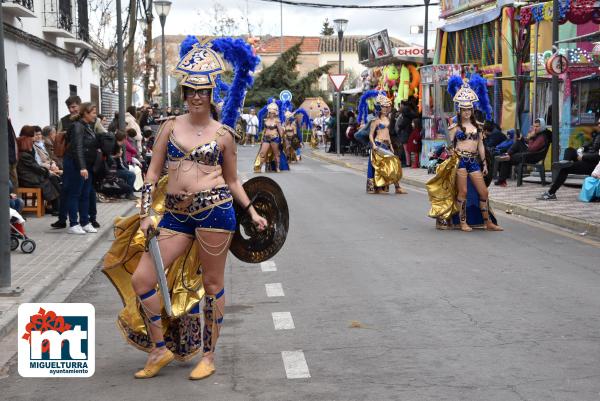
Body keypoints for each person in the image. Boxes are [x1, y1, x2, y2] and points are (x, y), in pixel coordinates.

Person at [102, 36, 266, 380]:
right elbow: (151, 171)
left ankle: (208, 355)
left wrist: (251, 211)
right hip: (175, 215)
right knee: (143, 279)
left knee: (212, 283)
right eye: (190, 90)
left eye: (202, 91)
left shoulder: (224, 134)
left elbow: (234, 180)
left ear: (210, 94)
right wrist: (147, 213)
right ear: (184, 93)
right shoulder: (169, 126)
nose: (195, 96)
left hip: (215, 212)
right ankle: (160, 348)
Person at [426, 76, 503, 231]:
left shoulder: (478, 126)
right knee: (463, 192)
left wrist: (485, 163)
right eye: (464, 109)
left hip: (473, 162)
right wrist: (450, 150)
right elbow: (448, 145)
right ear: (459, 110)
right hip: (460, 161)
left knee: (484, 192)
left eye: (469, 109)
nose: (467, 112)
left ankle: (487, 222)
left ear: (472, 110)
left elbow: (480, 145)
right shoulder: (454, 127)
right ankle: (462, 222)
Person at [58, 102, 102, 234]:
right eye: (93, 113)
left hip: (85, 164)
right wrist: (82, 167)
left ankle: (84, 222)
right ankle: (73, 223)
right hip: (75, 164)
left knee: (85, 193)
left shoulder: (87, 126)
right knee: (75, 193)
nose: (95, 116)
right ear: (85, 113)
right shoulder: (77, 126)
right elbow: (77, 147)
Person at [537, 121, 600, 200]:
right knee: (569, 150)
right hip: (587, 158)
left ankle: (551, 193)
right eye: (598, 123)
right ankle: (565, 161)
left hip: (594, 165)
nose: (598, 125)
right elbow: (590, 144)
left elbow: (598, 157)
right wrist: (582, 148)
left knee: (566, 168)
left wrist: (583, 157)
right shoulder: (598, 134)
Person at [358, 92, 406, 194]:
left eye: (387, 107)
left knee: (394, 164)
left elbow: (388, 134)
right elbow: (371, 134)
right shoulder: (375, 121)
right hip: (378, 145)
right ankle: (379, 187)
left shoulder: (388, 119)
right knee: (380, 167)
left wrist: (391, 145)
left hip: (386, 145)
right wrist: (374, 145)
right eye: (384, 107)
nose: (386, 109)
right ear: (379, 107)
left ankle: (397, 187)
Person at [495, 118, 550, 186]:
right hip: (529, 154)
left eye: (537, 126)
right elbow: (529, 145)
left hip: (533, 156)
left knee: (507, 159)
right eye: (534, 126)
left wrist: (531, 138)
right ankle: (507, 154)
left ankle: (502, 180)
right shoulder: (538, 134)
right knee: (518, 142)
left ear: (542, 126)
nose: (535, 128)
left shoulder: (542, 137)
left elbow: (531, 149)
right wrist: (524, 139)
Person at [16, 135, 60, 212]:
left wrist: (47, 172)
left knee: (52, 177)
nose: (32, 145)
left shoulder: (24, 154)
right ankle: (56, 207)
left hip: (29, 177)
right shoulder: (24, 155)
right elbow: (36, 167)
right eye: (30, 143)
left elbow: (36, 167)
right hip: (28, 179)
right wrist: (47, 172)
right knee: (49, 180)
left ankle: (57, 206)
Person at [254, 102, 288, 173]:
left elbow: (280, 132)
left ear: (275, 113)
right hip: (266, 138)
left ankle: (277, 167)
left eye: (273, 113)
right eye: (270, 112)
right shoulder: (266, 120)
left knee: (276, 154)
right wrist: (262, 139)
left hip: (275, 138)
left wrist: (283, 133)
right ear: (268, 113)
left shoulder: (277, 121)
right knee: (262, 153)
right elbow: (264, 130)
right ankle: (259, 167)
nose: (271, 114)